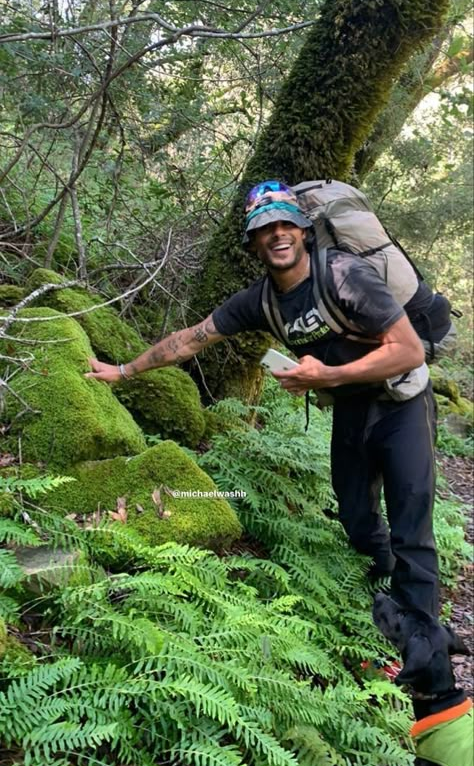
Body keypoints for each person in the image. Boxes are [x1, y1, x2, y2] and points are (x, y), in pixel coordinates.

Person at [86, 180, 439, 617]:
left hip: (402, 398)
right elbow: (190, 340)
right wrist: (123, 371)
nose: (277, 233)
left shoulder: (346, 275)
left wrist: (327, 375)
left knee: (411, 521)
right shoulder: (260, 301)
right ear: (253, 243)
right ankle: (380, 580)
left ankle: (421, 642)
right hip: (352, 405)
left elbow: (409, 349)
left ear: (304, 230)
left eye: (286, 223)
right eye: (264, 228)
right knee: (355, 514)